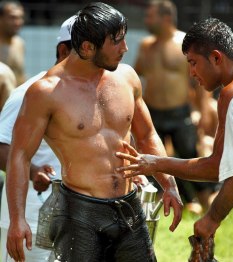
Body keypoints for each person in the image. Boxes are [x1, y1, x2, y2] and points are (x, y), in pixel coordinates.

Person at [6, 2, 183, 262]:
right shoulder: (46, 92)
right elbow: (19, 156)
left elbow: (146, 136)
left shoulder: (127, 78)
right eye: (117, 42)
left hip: (128, 206)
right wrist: (17, 219)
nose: (125, 48)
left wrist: (169, 185)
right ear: (88, 47)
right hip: (80, 213)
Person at [116, 17, 233, 244]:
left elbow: (221, 168)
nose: (191, 73)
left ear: (217, 57)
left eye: (193, 62)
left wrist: (157, 164)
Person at [0, 15, 76, 261]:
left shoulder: (91, 97)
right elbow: (1, 145)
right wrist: (33, 171)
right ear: (63, 50)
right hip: (30, 217)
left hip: (76, 217)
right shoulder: (28, 93)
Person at [134, 0, 215, 212]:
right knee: (152, 160)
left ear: (166, 18)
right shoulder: (145, 46)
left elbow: (198, 82)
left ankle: (207, 206)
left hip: (180, 112)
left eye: (150, 16)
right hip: (152, 113)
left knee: (190, 158)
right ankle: (157, 206)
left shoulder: (183, 44)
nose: (146, 20)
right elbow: (135, 76)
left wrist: (201, 110)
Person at [0, 1, 25, 86]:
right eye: (12, 18)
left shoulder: (19, 43)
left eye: (20, 17)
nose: (18, 22)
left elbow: (20, 76)